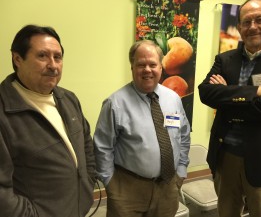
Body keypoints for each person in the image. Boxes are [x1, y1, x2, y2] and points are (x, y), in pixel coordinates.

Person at [198, 0, 261, 217]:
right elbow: (205, 93)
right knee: (226, 212)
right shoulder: (225, 59)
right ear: (239, 27)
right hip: (226, 155)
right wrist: (257, 92)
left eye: (259, 20)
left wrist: (228, 94)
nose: (253, 26)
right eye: (246, 21)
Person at [0, 24, 96, 217]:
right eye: (42, 56)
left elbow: (87, 146)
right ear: (17, 59)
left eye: (57, 57)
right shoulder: (4, 111)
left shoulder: (68, 99)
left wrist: (88, 182)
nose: (53, 65)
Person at [93, 40, 191, 217]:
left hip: (168, 187)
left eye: (152, 64)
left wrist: (181, 171)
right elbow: (102, 147)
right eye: (141, 64)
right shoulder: (115, 104)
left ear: (161, 67)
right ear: (132, 68)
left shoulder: (173, 99)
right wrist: (112, 185)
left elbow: (183, 136)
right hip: (128, 190)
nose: (147, 69)